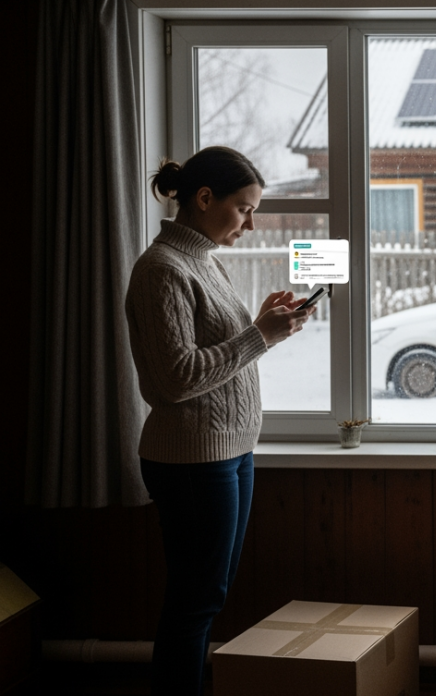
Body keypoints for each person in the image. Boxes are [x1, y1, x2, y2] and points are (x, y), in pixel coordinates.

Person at [125, 146, 314, 696]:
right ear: (204, 199)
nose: (250, 224)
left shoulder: (204, 261)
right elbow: (175, 379)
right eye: (244, 209)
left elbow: (218, 352)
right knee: (196, 601)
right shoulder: (161, 270)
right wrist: (259, 336)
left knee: (208, 595)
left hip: (229, 453)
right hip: (191, 460)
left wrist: (263, 325)